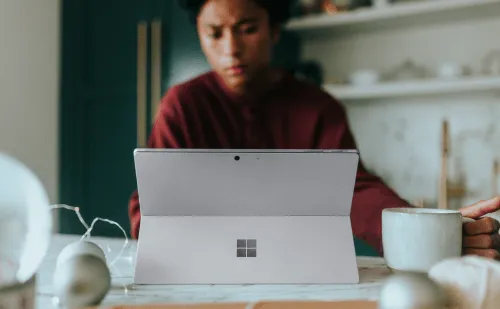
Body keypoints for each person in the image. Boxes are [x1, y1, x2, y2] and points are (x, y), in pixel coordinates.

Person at [129, 0, 500, 259]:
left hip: (297, 264)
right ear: (199, 34)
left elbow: (354, 190)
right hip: (202, 265)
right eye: (215, 33)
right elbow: (151, 207)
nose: (231, 49)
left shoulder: (317, 107)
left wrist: (427, 234)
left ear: (274, 31)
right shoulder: (182, 105)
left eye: (247, 29)